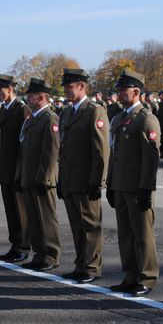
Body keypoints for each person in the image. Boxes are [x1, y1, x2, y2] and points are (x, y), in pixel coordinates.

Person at [106, 69, 160, 297]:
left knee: (142, 234)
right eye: (118, 89)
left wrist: (146, 187)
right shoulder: (118, 118)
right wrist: (110, 183)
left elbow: (151, 157)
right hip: (120, 185)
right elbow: (113, 153)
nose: (118, 93)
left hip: (137, 187)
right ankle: (130, 274)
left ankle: (146, 276)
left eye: (122, 89)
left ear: (136, 91)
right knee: (125, 234)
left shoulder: (146, 118)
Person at [58, 68, 109, 284]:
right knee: (77, 226)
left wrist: (98, 181)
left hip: (86, 179)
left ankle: (91, 267)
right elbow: (63, 150)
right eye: (66, 87)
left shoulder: (94, 111)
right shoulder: (67, 112)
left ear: (82, 86)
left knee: (90, 226)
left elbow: (101, 150)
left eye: (70, 87)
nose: (67, 91)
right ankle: (81, 264)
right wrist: (61, 179)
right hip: (70, 179)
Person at [16, 78, 61, 272]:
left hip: (42, 179)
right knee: (34, 219)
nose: (28, 99)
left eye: (31, 96)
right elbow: (24, 150)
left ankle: (50, 255)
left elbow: (51, 152)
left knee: (46, 219)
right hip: (28, 176)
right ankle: (39, 253)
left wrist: (45, 177)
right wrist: (20, 176)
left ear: (42, 97)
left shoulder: (49, 118)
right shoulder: (32, 119)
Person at [0, 74, 31, 262]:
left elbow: (23, 143)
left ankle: (23, 245)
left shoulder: (21, 109)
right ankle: (15, 244)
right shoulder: (3, 110)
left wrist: (20, 170)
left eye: (0, 90)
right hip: (6, 168)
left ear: (10, 89)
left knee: (20, 211)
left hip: (17, 168)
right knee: (10, 210)